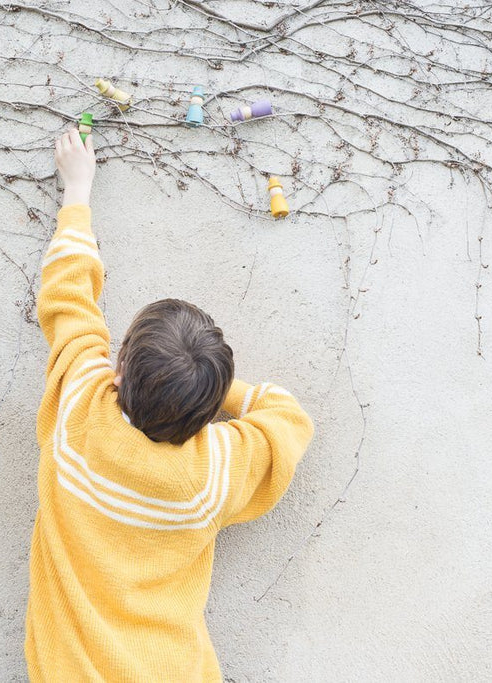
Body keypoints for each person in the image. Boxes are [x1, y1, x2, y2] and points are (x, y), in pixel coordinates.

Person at [25, 128, 315, 681]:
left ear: (117, 368)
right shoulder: (212, 473)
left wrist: (77, 191)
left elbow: (68, 296)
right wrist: (213, 389)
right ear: (208, 418)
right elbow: (287, 418)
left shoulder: (79, 407)